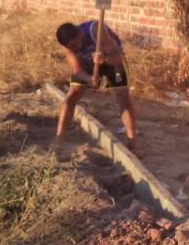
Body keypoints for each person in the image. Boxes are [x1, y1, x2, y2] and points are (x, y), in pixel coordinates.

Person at [53, 20, 139, 155]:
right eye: (71, 48)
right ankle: (58, 142)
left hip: (112, 60)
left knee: (123, 97)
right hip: (87, 62)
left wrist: (104, 59)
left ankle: (133, 144)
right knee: (70, 98)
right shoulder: (68, 46)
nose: (75, 49)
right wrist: (89, 79)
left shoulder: (96, 31)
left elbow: (118, 57)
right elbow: (77, 70)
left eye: (76, 45)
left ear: (80, 33)